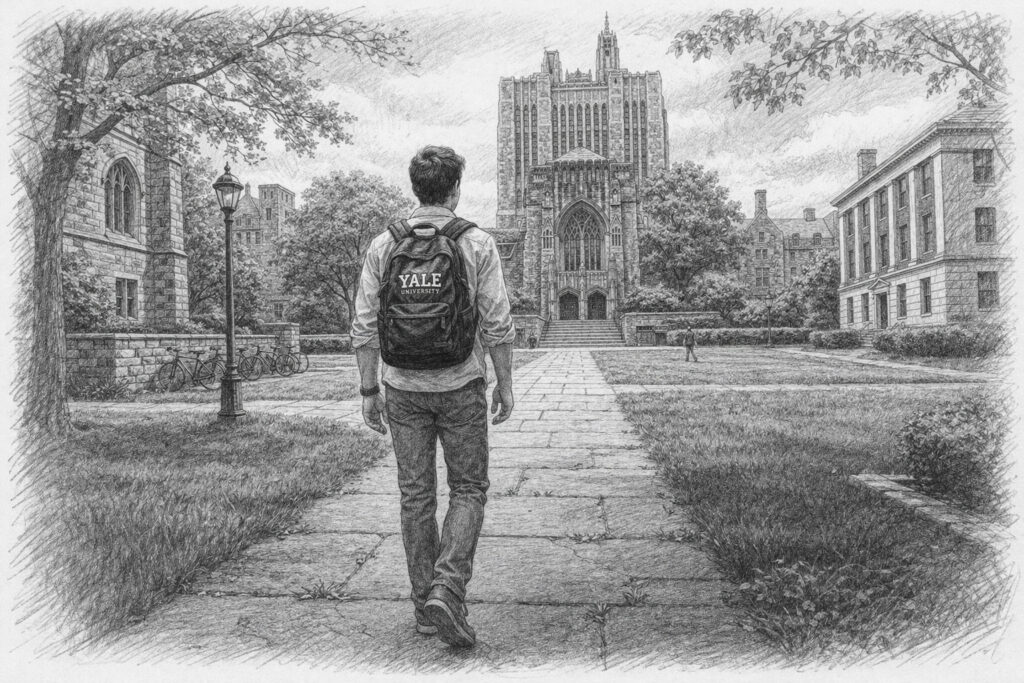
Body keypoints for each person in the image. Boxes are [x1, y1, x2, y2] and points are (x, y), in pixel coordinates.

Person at [350, 145, 516, 648]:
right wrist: (504, 383)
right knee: (468, 489)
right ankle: (449, 586)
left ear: (415, 187)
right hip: (462, 385)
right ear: (455, 188)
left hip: (402, 389)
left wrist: (368, 388)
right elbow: (498, 321)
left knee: (416, 495)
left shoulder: (385, 243)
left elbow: (363, 325)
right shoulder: (476, 242)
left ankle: (426, 608)